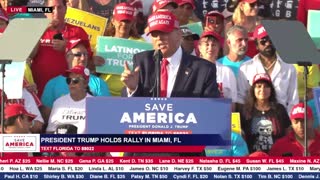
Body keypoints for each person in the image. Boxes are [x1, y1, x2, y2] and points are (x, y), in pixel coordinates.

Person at [121, 10, 220, 156]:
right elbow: (128, 113)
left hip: (184, 154)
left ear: (179, 34)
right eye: (154, 34)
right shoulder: (142, 61)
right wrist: (132, 89)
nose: (159, 38)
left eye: (164, 32)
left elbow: (212, 114)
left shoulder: (203, 69)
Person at [30, 0, 90, 98]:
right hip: (39, 89)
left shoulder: (78, 31)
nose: (56, 12)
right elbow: (29, 55)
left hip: (68, 89)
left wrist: (67, 48)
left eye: (60, 7)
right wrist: (42, 31)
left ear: (66, 9)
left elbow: (88, 62)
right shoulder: (36, 31)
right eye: (52, 8)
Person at [41, 39, 110, 122]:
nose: (83, 58)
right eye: (78, 54)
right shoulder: (53, 83)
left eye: (85, 54)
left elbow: (103, 115)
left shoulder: (99, 83)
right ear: (67, 57)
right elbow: (47, 117)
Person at [237, 24, 298, 112]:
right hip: (253, 120)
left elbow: (293, 101)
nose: (268, 43)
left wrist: (287, 123)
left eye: (271, 40)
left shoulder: (289, 68)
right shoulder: (245, 68)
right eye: (263, 41)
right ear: (256, 45)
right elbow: (241, 99)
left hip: (281, 120)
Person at [99, 2, 143, 96]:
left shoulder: (141, 44)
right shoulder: (102, 42)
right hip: (103, 93)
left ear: (133, 22)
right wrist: (92, 63)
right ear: (113, 20)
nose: (124, 24)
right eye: (121, 20)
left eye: (127, 21)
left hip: (130, 94)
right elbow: (90, 69)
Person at [241, 73, 291, 154]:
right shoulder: (245, 110)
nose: (262, 89)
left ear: (271, 90)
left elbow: (288, 133)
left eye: (266, 86)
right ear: (253, 90)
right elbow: (241, 137)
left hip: (277, 157)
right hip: (253, 159)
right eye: (259, 86)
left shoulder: (280, 109)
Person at [198, 31, 237, 111]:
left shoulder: (227, 72)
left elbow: (232, 102)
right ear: (199, 47)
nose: (210, 48)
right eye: (207, 44)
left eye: (214, 45)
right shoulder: (192, 70)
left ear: (219, 48)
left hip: (221, 115)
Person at [46, 65, 92, 134]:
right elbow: (50, 132)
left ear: (85, 83)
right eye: (68, 80)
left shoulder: (96, 105)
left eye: (75, 81)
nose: (71, 83)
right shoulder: (58, 102)